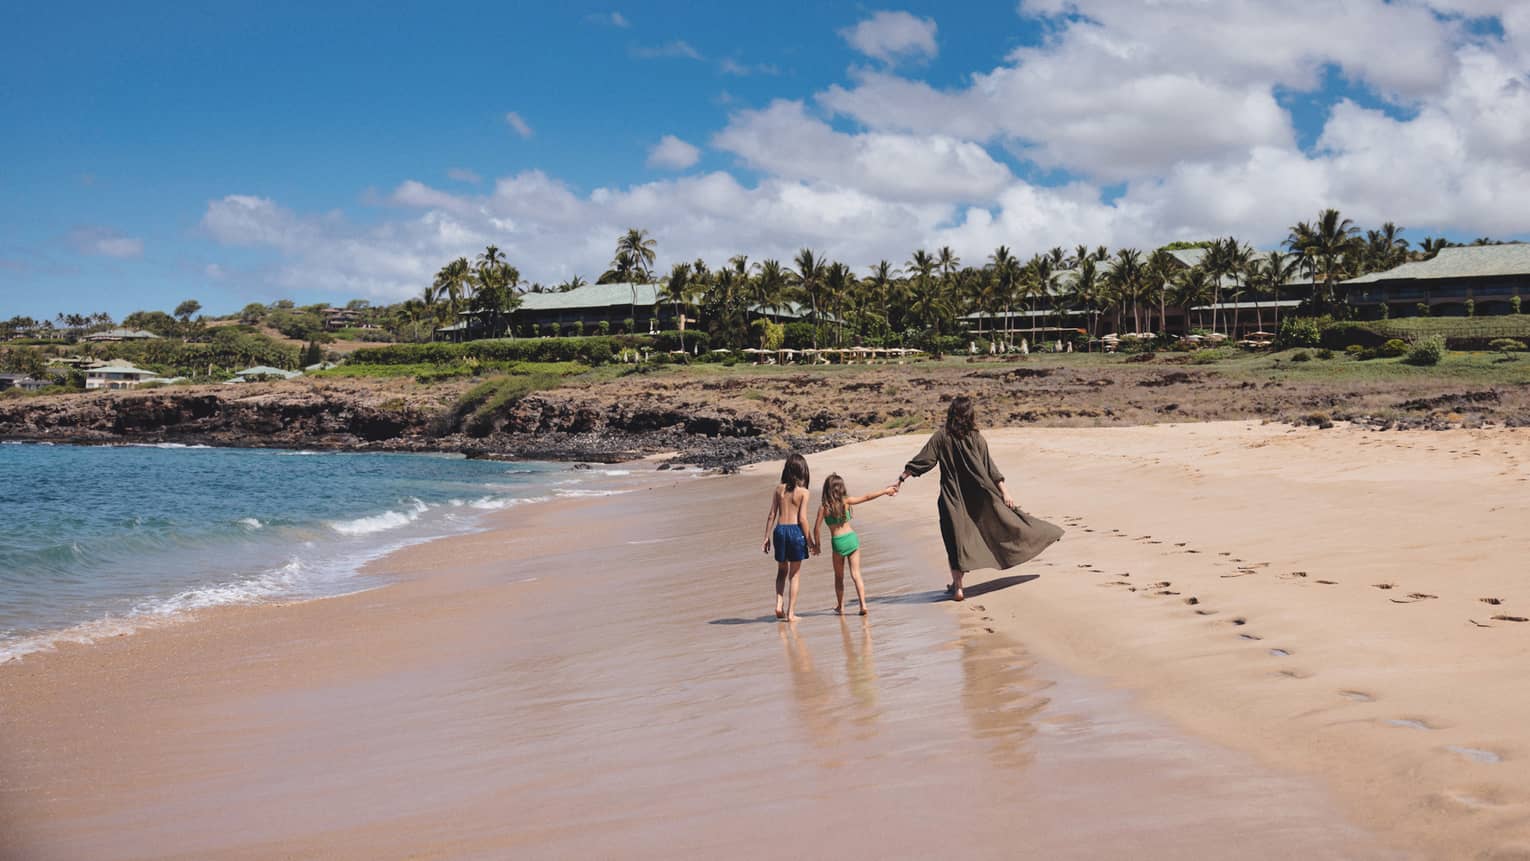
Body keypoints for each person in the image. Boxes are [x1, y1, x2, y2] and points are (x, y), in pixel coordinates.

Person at [897, 396, 1063, 601]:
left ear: (951, 414)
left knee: (954, 542)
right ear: (970, 415)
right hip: (979, 499)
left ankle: (958, 587)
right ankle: (1042, 534)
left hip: (951, 501)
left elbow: (924, 461)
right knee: (1005, 523)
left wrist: (901, 478)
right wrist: (1005, 492)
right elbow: (990, 467)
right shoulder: (977, 438)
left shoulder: (941, 437)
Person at [810, 473, 898, 616]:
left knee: (839, 577)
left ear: (827, 489)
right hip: (851, 539)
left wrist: (817, 545)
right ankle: (863, 605)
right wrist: (885, 490)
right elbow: (867, 496)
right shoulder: (846, 501)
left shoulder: (824, 507)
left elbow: (816, 529)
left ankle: (840, 606)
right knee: (856, 574)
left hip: (838, 543)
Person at [763, 452, 812, 621]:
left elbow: (771, 514)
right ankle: (791, 613)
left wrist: (766, 537)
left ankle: (778, 603)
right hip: (795, 532)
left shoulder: (778, 489)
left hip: (779, 531)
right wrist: (810, 540)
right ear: (803, 472)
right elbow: (803, 519)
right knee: (795, 574)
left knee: (781, 571)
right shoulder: (804, 492)